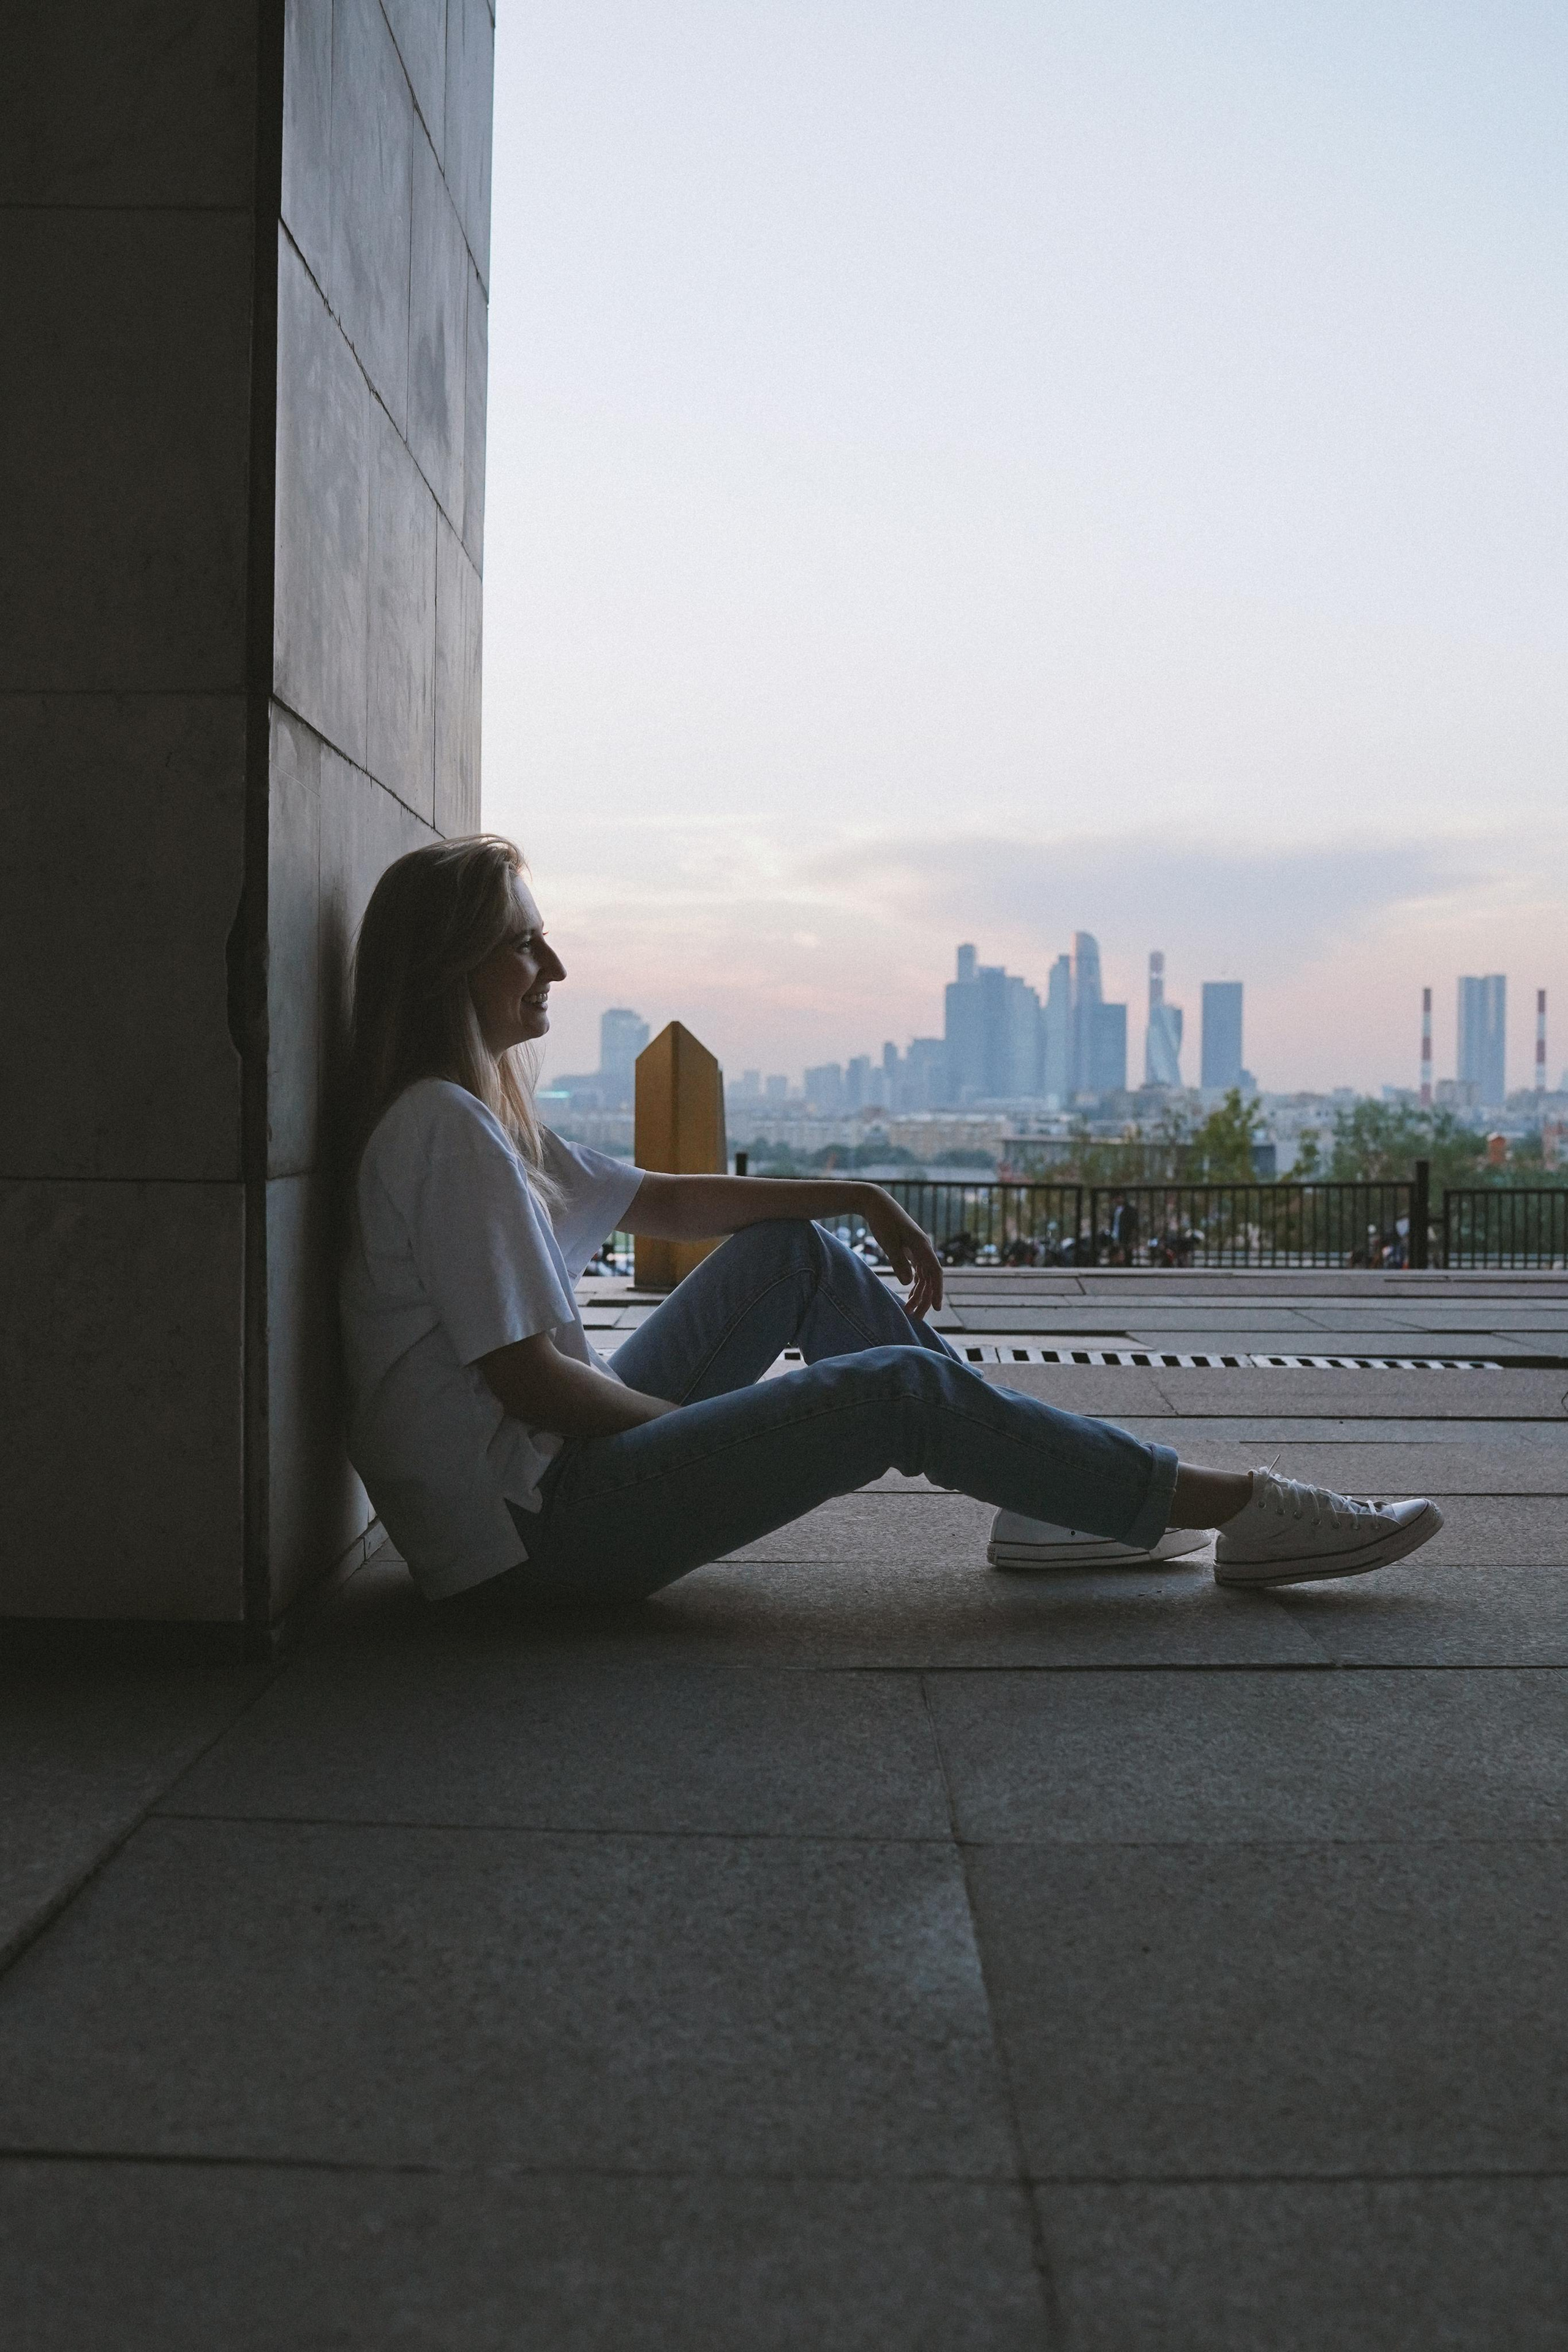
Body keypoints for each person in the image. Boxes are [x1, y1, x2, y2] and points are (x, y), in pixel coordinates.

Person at [339, 837, 1444, 1608]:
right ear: (455, 964)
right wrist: (718, 1436)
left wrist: (855, 1196)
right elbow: (531, 1386)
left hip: (537, 1495)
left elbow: (671, 1201)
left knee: (792, 1256)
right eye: (528, 943)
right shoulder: (442, 1129)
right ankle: (1228, 1506)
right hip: (532, 1541)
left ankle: (1050, 1494)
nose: (558, 966)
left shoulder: (476, 1119)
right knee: (895, 1394)